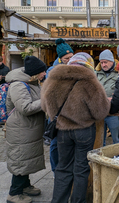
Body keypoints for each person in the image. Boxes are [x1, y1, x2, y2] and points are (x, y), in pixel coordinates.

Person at [41, 52, 110, 203]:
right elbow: (100, 112)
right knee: (81, 169)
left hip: (62, 131)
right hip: (84, 130)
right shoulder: (90, 81)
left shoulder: (53, 78)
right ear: (89, 64)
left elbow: (44, 106)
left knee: (63, 167)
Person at [6, 56, 47, 203]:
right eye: (42, 71)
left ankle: (25, 186)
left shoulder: (32, 82)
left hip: (28, 129)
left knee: (26, 158)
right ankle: (14, 193)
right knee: (20, 160)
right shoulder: (18, 85)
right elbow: (25, 108)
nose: (44, 73)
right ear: (35, 72)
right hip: (20, 130)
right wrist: (46, 100)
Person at [46, 38, 74, 173]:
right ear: (60, 58)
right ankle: (55, 170)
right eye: (67, 58)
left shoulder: (73, 68)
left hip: (68, 111)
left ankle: (65, 168)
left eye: (71, 57)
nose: (69, 60)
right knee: (55, 143)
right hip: (56, 111)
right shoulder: (52, 70)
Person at [96, 49, 119, 145]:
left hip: (113, 111)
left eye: (105, 62)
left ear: (112, 61)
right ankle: (101, 158)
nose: (103, 65)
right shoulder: (96, 73)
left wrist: (114, 98)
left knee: (116, 139)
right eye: (101, 62)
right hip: (99, 111)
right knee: (100, 140)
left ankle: (118, 158)